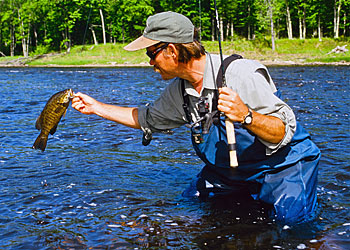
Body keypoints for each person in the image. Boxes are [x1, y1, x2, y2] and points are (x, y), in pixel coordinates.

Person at [72, 11, 321, 224]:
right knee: (188, 210)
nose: (149, 62)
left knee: (290, 228)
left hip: (283, 166)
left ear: (171, 50)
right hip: (230, 172)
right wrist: (96, 108)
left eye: (151, 53)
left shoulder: (242, 74)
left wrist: (246, 116)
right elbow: (147, 119)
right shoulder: (178, 89)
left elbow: (280, 131)